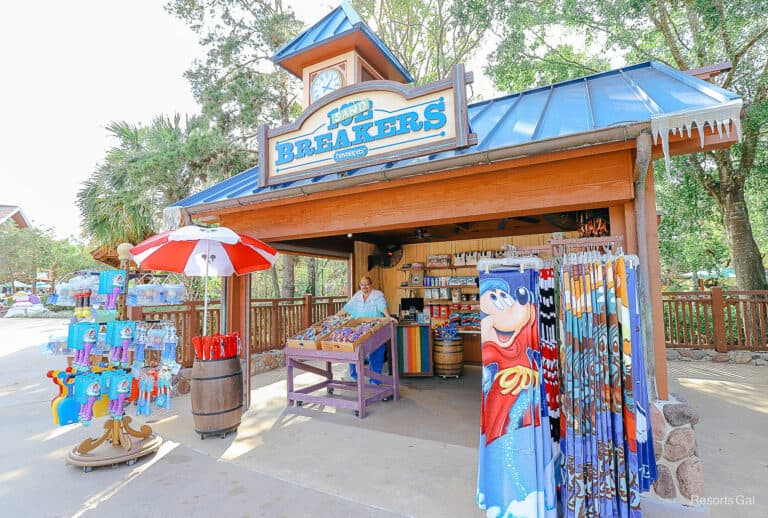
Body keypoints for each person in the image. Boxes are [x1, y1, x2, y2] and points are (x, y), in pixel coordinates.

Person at [339, 275, 396, 384]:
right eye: (362, 284)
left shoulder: (378, 295)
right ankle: (354, 377)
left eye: (367, 284)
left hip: (375, 328)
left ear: (371, 285)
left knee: (376, 352)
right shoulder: (357, 295)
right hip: (359, 330)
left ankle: (375, 380)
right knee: (353, 350)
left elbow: (382, 306)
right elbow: (347, 308)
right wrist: (335, 316)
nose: (364, 286)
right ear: (360, 285)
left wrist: (388, 317)